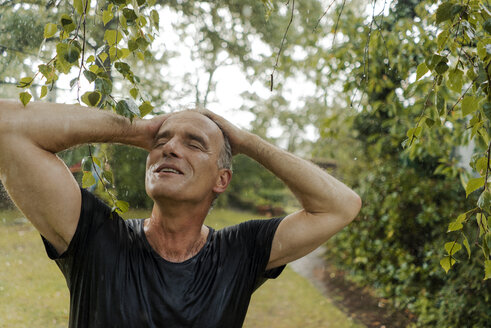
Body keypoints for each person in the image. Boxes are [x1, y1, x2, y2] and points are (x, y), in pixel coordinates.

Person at [0, 99, 361, 327]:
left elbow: (341, 206)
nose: (170, 147)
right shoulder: (94, 236)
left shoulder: (241, 252)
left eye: (193, 143)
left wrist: (247, 143)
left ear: (222, 179)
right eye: (162, 140)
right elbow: (6, 127)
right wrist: (136, 128)